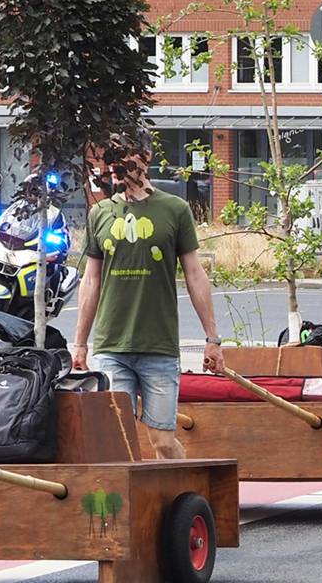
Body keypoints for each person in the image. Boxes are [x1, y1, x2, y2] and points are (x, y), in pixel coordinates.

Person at [74, 129, 224, 458]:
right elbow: (91, 281)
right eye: (110, 157)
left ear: (145, 157)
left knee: (163, 442)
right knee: (117, 441)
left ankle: (184, 502)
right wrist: (81, 343)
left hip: (159, 346)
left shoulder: (174, 209)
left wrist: (213, 337)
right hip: (111, 346)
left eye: (123, 155)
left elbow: (195, 274)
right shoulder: (100, 213)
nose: (115, 165)